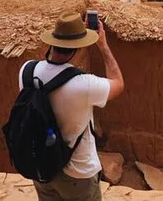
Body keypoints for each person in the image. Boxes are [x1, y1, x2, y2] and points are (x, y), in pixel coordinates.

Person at [18, 12, 124, 201]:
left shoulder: (27, 71)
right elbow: (118, 83)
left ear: (53, 41)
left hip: (42, 167)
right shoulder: (83, 85)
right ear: (77, 47)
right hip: (78, 173)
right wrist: (103, 46)